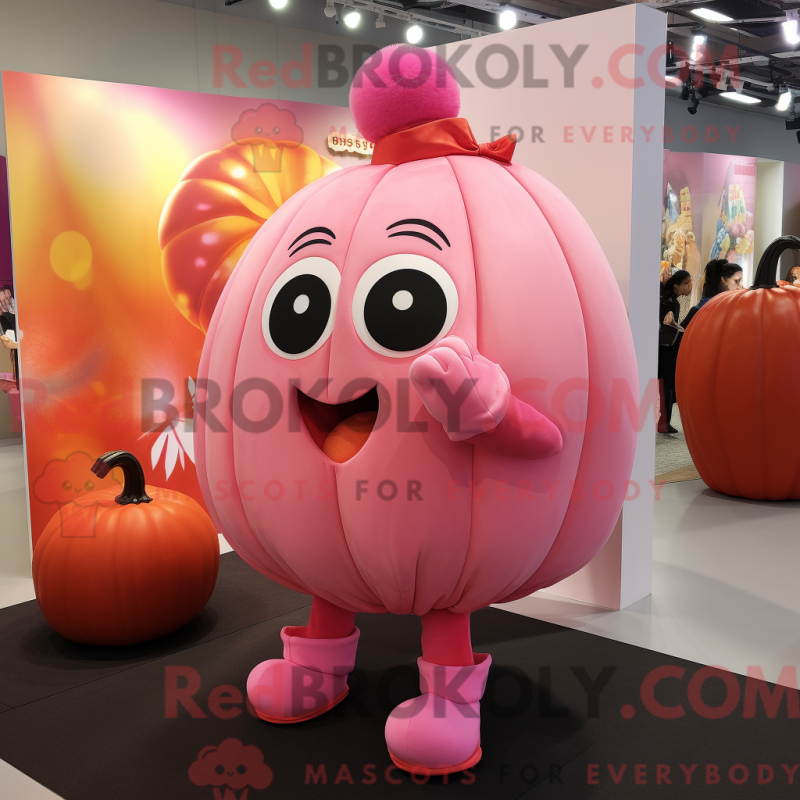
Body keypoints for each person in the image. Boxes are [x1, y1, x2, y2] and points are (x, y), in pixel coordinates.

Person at [658, 269, 692, 433]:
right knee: (667, 385)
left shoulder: (669, 300)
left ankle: (664, 421)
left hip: (663, 347)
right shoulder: (670, 303)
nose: (689, 286)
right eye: (686, 283)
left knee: (666, 384)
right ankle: (664, 422)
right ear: (676, 286)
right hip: (665, 349)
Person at [682, 259, 744, 330]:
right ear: (723, 280)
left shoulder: (697, 310)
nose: (741, 286)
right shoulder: (725, 313)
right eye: (737, 281)